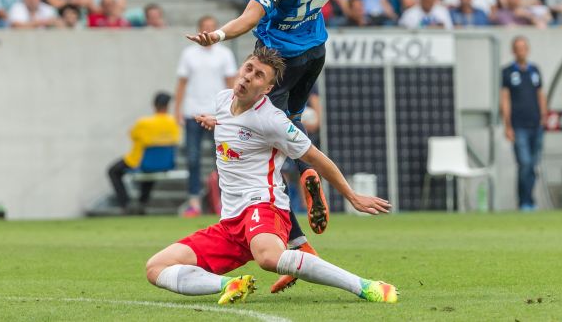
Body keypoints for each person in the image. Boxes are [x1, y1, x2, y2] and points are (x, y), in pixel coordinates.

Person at [186, 0, 477, 292]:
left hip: (278, 61)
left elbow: (252, 16)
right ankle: (302, 224)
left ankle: (300, 198)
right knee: (285, 128)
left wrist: (219, 36)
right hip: (315, 52)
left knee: (266, 151)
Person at [145, 47, 396, 306]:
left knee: (268, 258)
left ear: (266, 89)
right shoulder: (222, 100)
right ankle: (230, 285)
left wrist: (351, 196)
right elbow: (234, 123)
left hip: (263, 206)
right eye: (248, 68)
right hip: (230, 221)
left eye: (258, 76)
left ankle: (364, 286)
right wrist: (216, 121)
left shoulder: (272, 120)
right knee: (156, 267)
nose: (247, 77)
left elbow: (316, 156)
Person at [174, 16, 237, 217]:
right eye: (205, 28)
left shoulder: (225, 54)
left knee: (222, 159)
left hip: (218, 114)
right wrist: (177, 109)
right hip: (193, 112)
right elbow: (182, 83)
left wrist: (233, 111)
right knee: (193, 159)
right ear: (199, 30)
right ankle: (195, 202)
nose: (208, 31)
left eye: (211, 28)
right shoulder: (188, 54)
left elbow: (231, 83)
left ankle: (222, 201)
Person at [107, 92, 180, 214]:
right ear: (168, 106)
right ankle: (142, 202)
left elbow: (132, 135)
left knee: (113, 171)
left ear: (154, 105)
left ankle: (125, 203)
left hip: (140, 161)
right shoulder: (173, 122)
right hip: (164, 163)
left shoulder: (143, 123)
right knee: (151, 170)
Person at [501, 37, 546, 211]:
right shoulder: (507, 72)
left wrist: (543, 116)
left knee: (533, 165)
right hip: (518, 125)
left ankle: (530, 199)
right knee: (524, 163)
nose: (521, 51)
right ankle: (524, 202)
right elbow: (504, 99)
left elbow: (540, 94)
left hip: (536, 124)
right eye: (518, 48)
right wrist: (507, 125)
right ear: (513, 51)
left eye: (524, 47)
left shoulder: (534, 70)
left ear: (528, 49)